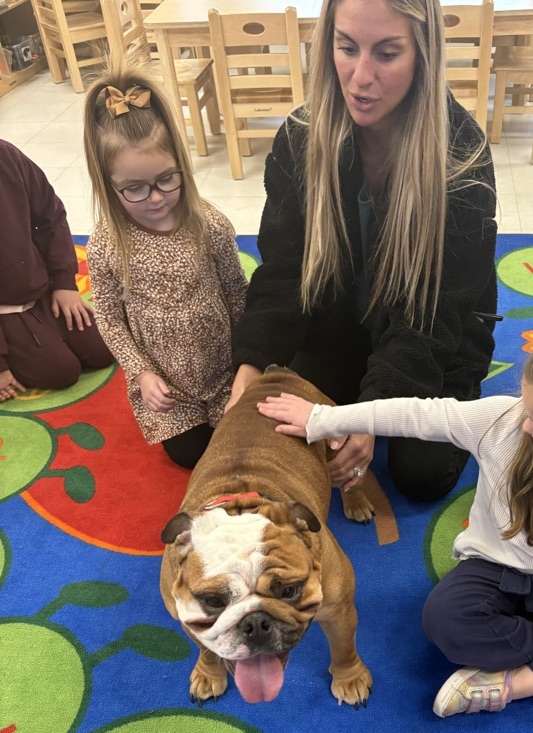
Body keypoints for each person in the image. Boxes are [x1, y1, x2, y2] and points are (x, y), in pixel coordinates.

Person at [257, 321, 533, 722]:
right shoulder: (503, 421)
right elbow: (418, 413)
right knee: (444, 619)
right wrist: (322, 418)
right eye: (529, 409)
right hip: (496, 569)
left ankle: (516, 684)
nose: (527, 426)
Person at [228, 0, 498, 501]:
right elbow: (285, 272)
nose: (360, 78)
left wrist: (372, 412)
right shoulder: (301, 138)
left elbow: (435, 319)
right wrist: (250, 363)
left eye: (388, 53)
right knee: (281, 422)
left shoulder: (462, 159)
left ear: (424, 54)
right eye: (347, 48)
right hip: (339, 326)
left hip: (432, 335)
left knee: (420, 473)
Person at [83, 55, 247, 469]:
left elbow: (237, 293)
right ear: (109, 185)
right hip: (165, 385)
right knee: (193, 455)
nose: (155, 198)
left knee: (242, 438)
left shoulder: (209, 223)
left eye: (166, 179)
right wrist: (142, 374)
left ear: (182, 167)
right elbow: (108, 317)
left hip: (222, 370)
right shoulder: (106, 242)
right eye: (134, 189)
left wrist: (249, 366)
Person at [0, 139, 113, 403]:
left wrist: (64, 284)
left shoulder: (6, 155)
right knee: (61, 372)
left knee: (102, 350)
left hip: (40, 287)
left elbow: (50, 213)